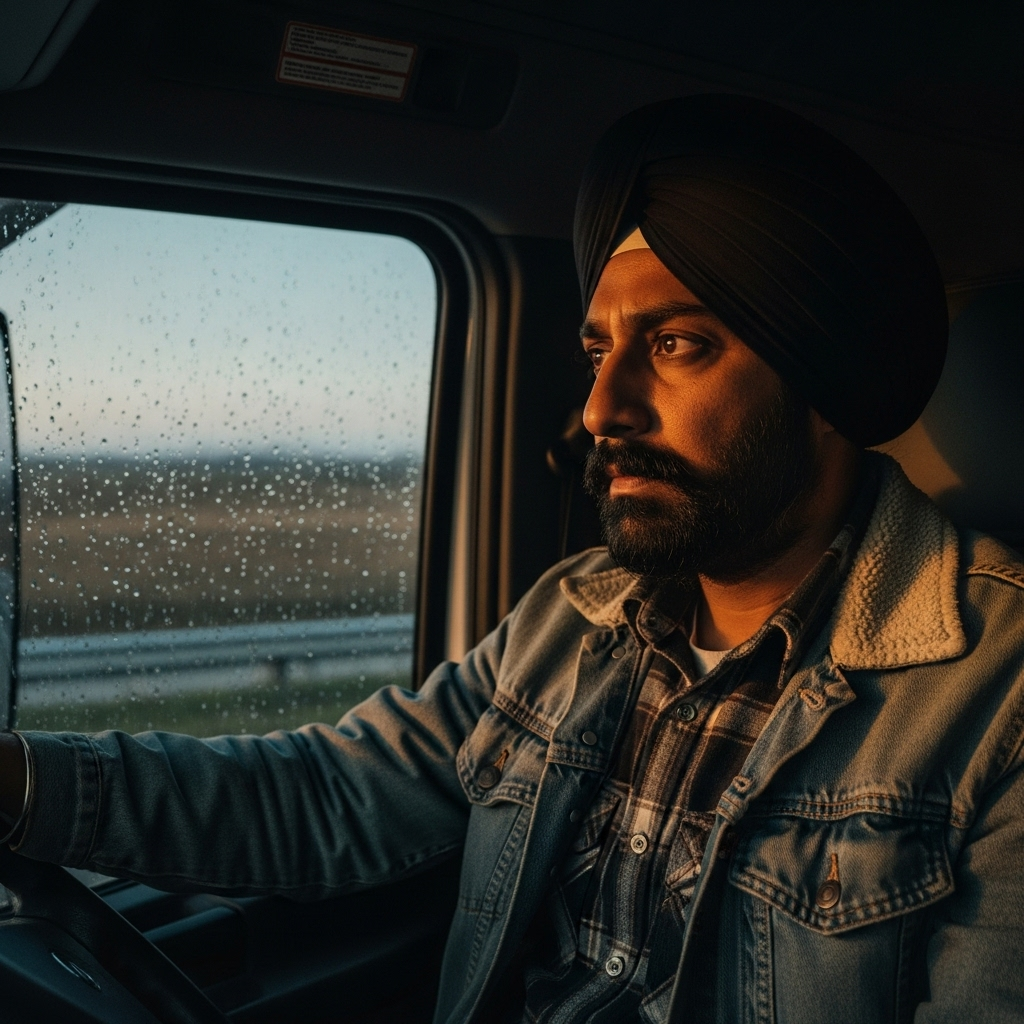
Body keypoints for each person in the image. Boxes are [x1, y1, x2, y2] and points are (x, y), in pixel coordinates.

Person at [1, 95, 1022, 1024]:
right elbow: (327, 795)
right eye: (596, 353)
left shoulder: (994, 694)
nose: (599, 410)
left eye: (675, 346)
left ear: (826, 382)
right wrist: (20, 784)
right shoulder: (572, 618)